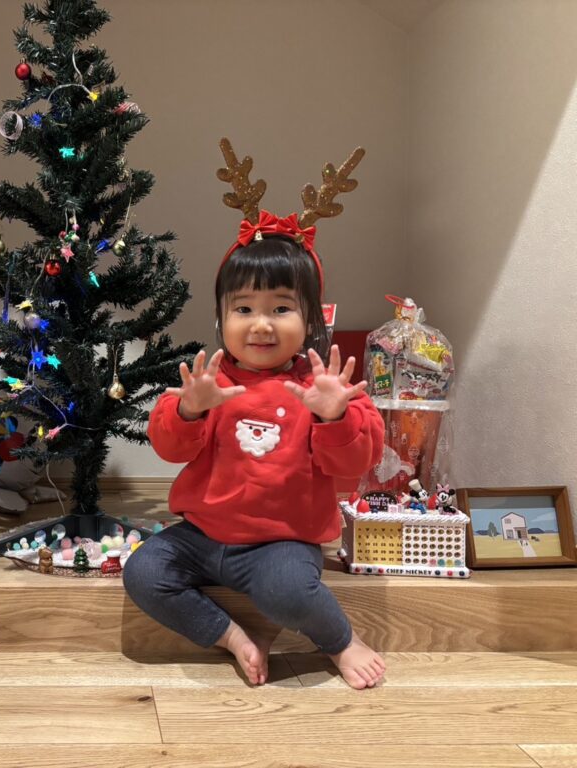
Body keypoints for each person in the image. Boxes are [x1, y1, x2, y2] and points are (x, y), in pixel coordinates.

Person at [123, 140, 386, 690]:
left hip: (282, 544)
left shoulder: (323, 385)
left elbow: (358, 461)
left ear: (310, 320)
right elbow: (168, 445)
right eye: (243, 308)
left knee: (287, 591)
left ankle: (342, 640)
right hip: (202, 537)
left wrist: (334, 417)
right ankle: (231, 636)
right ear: (221, 318)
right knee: (143, 571)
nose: (261, 324)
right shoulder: (211, 380)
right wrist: (189, 409)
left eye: (281, 308)